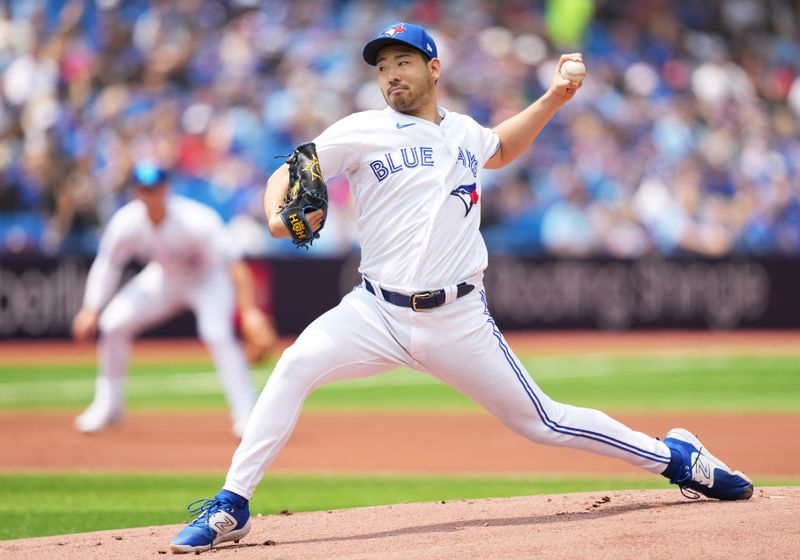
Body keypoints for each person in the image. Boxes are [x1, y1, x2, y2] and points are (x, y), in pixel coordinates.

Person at [169, 23, 753, 554]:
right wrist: (278, 216)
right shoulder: (363, 129)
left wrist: (554, 97)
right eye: (381, 66)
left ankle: (677, 460)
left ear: (433, 67)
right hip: (374, 312)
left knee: (543, 423)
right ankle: (232, 504)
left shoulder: (464, 132)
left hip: (457, 319)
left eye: (402, 61)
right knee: (294, 366)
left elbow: (499, 148)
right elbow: (289, 172)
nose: (390, 74)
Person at [71, 162, 276, 438]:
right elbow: (108, 264)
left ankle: (245, 412)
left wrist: (249, 312)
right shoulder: (127, 221)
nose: (149, 194)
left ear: (166, 189)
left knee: (216, 333)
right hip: (166, 278)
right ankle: (109, 405)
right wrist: (90, 308)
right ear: (136, 191)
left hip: (207, 280)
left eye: (154, 188)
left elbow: (235, 265)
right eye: (144, 189)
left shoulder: (197, 219)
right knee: (112, 324)